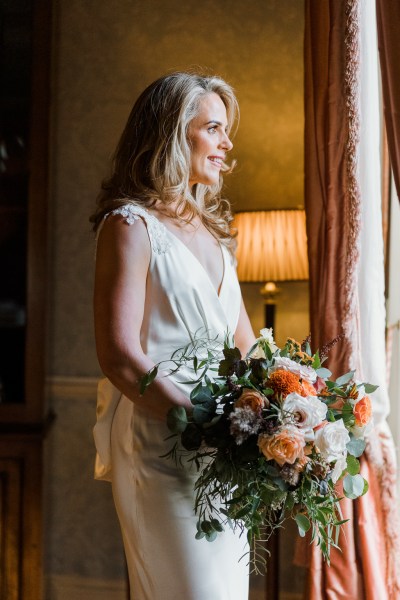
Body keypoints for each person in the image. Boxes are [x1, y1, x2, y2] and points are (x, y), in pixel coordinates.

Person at [91, 72, 256, 600]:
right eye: (214, 128)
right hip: (161, 445)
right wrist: (200, 424)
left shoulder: (215, 235)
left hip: (224, 457)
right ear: (171, 135)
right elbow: (119, 356)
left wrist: (289, 415)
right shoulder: (129, 226)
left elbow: (247, 352)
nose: (228, 143)